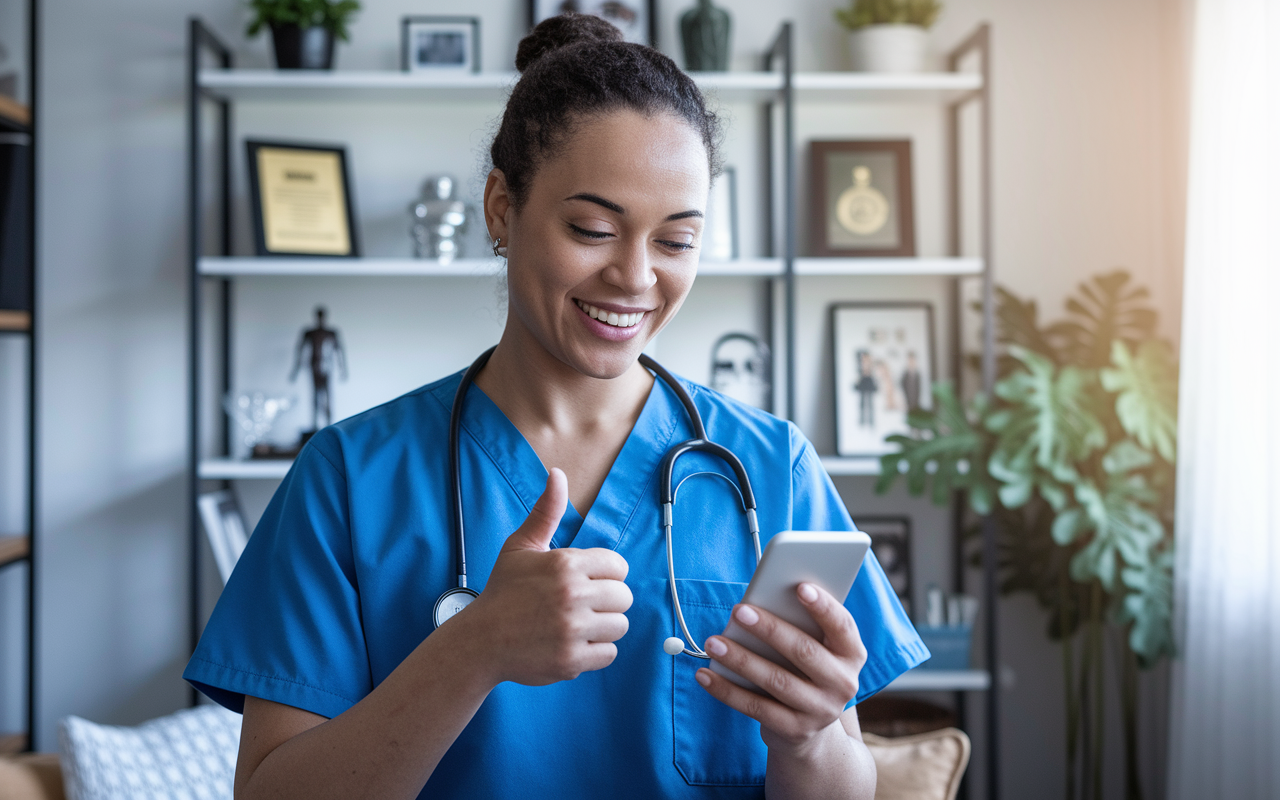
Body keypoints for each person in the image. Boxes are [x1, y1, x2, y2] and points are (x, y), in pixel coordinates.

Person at [185, 15, 926, 799]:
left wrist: (809, 737)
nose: (636, 277)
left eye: (676, 241)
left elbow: (845, 781)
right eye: (593, 228)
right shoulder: (348, 478)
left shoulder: (772, 468)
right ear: (502, 210)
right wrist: (473, 650)